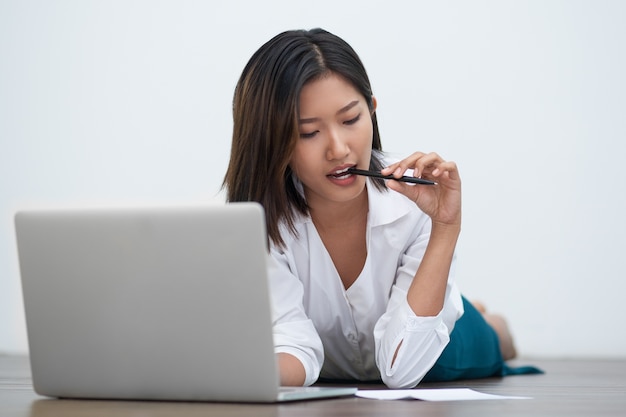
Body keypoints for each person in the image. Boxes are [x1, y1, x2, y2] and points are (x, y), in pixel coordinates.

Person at [223, 28, 528, 388]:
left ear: (372, 110)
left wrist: (445, 226)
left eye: (351, 120)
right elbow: (291, 342)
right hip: (332, 366)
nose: (338, 149)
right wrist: (230, 372)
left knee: (493, 343)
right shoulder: (259, 221)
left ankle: (485, 319)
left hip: (426, 349)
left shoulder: (416, 202)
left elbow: (401, 371)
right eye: (308, 133)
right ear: (272, 141)